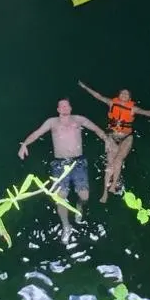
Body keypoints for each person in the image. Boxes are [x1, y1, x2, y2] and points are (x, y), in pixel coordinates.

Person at [18, 99, 116, 242]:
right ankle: (66, 225)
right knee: (60, 198)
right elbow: (37, 133)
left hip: (79, 162)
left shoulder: (79, 119)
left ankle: (79, 206)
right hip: (59, 164)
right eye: (61, 106)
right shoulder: (52, 122)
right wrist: (24, 144)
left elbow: (96, 129)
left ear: (70, 107)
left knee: (84, 197)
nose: (64, 107)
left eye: (67, 105)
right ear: (58, 109)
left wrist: (106, 139)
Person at [78, 81, 150, 200]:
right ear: (118, 95)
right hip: (112, 137)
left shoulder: (133, 109)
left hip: (126, 138)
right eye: (122, 93)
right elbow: (98, 96)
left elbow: (149, 113)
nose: (124, 95)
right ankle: (105, 191)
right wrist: (85, 87)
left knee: (119, 160)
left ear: (129, 98)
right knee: (110, 163)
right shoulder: (111, 103)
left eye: (127, 94)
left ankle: (114, 185)